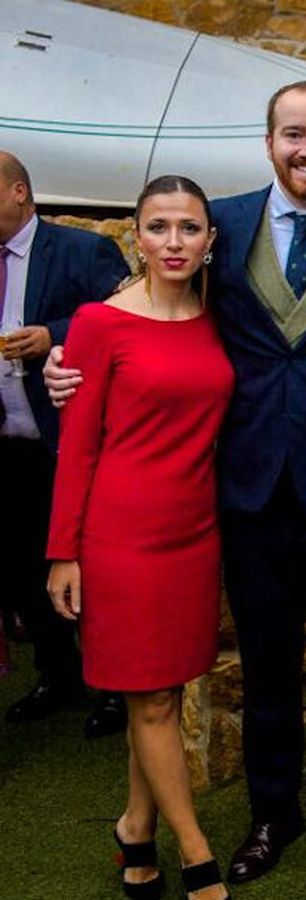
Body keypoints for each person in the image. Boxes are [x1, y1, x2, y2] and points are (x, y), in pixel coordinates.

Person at [47, 81, 306, 896]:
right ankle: (271, 816)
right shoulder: (225, 225)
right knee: (267, 670)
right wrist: (65, 351)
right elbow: (153, 302)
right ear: (270, 140)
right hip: (246, 497)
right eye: (294, 133)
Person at [47, 175, 234, 900]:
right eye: (158, 227)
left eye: (189, 228)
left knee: (155, 692)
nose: (174, 242)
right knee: (152, 699)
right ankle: (197, 855)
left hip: (196, 532)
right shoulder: (99, 323)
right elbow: (79, 446)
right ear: (136, 236)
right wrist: (64, 551)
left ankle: (135, 824)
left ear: (210, 240)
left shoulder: (216, 317)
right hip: (122, 536)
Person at [0, 150, 130, 737]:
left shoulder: (82, 251)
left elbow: (126, 314)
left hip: (68, 447)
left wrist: (52, 334)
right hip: (7, 448)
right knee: (23, 567)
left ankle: (113, 689)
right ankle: (57, 675)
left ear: (20, 193)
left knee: (92, 571)